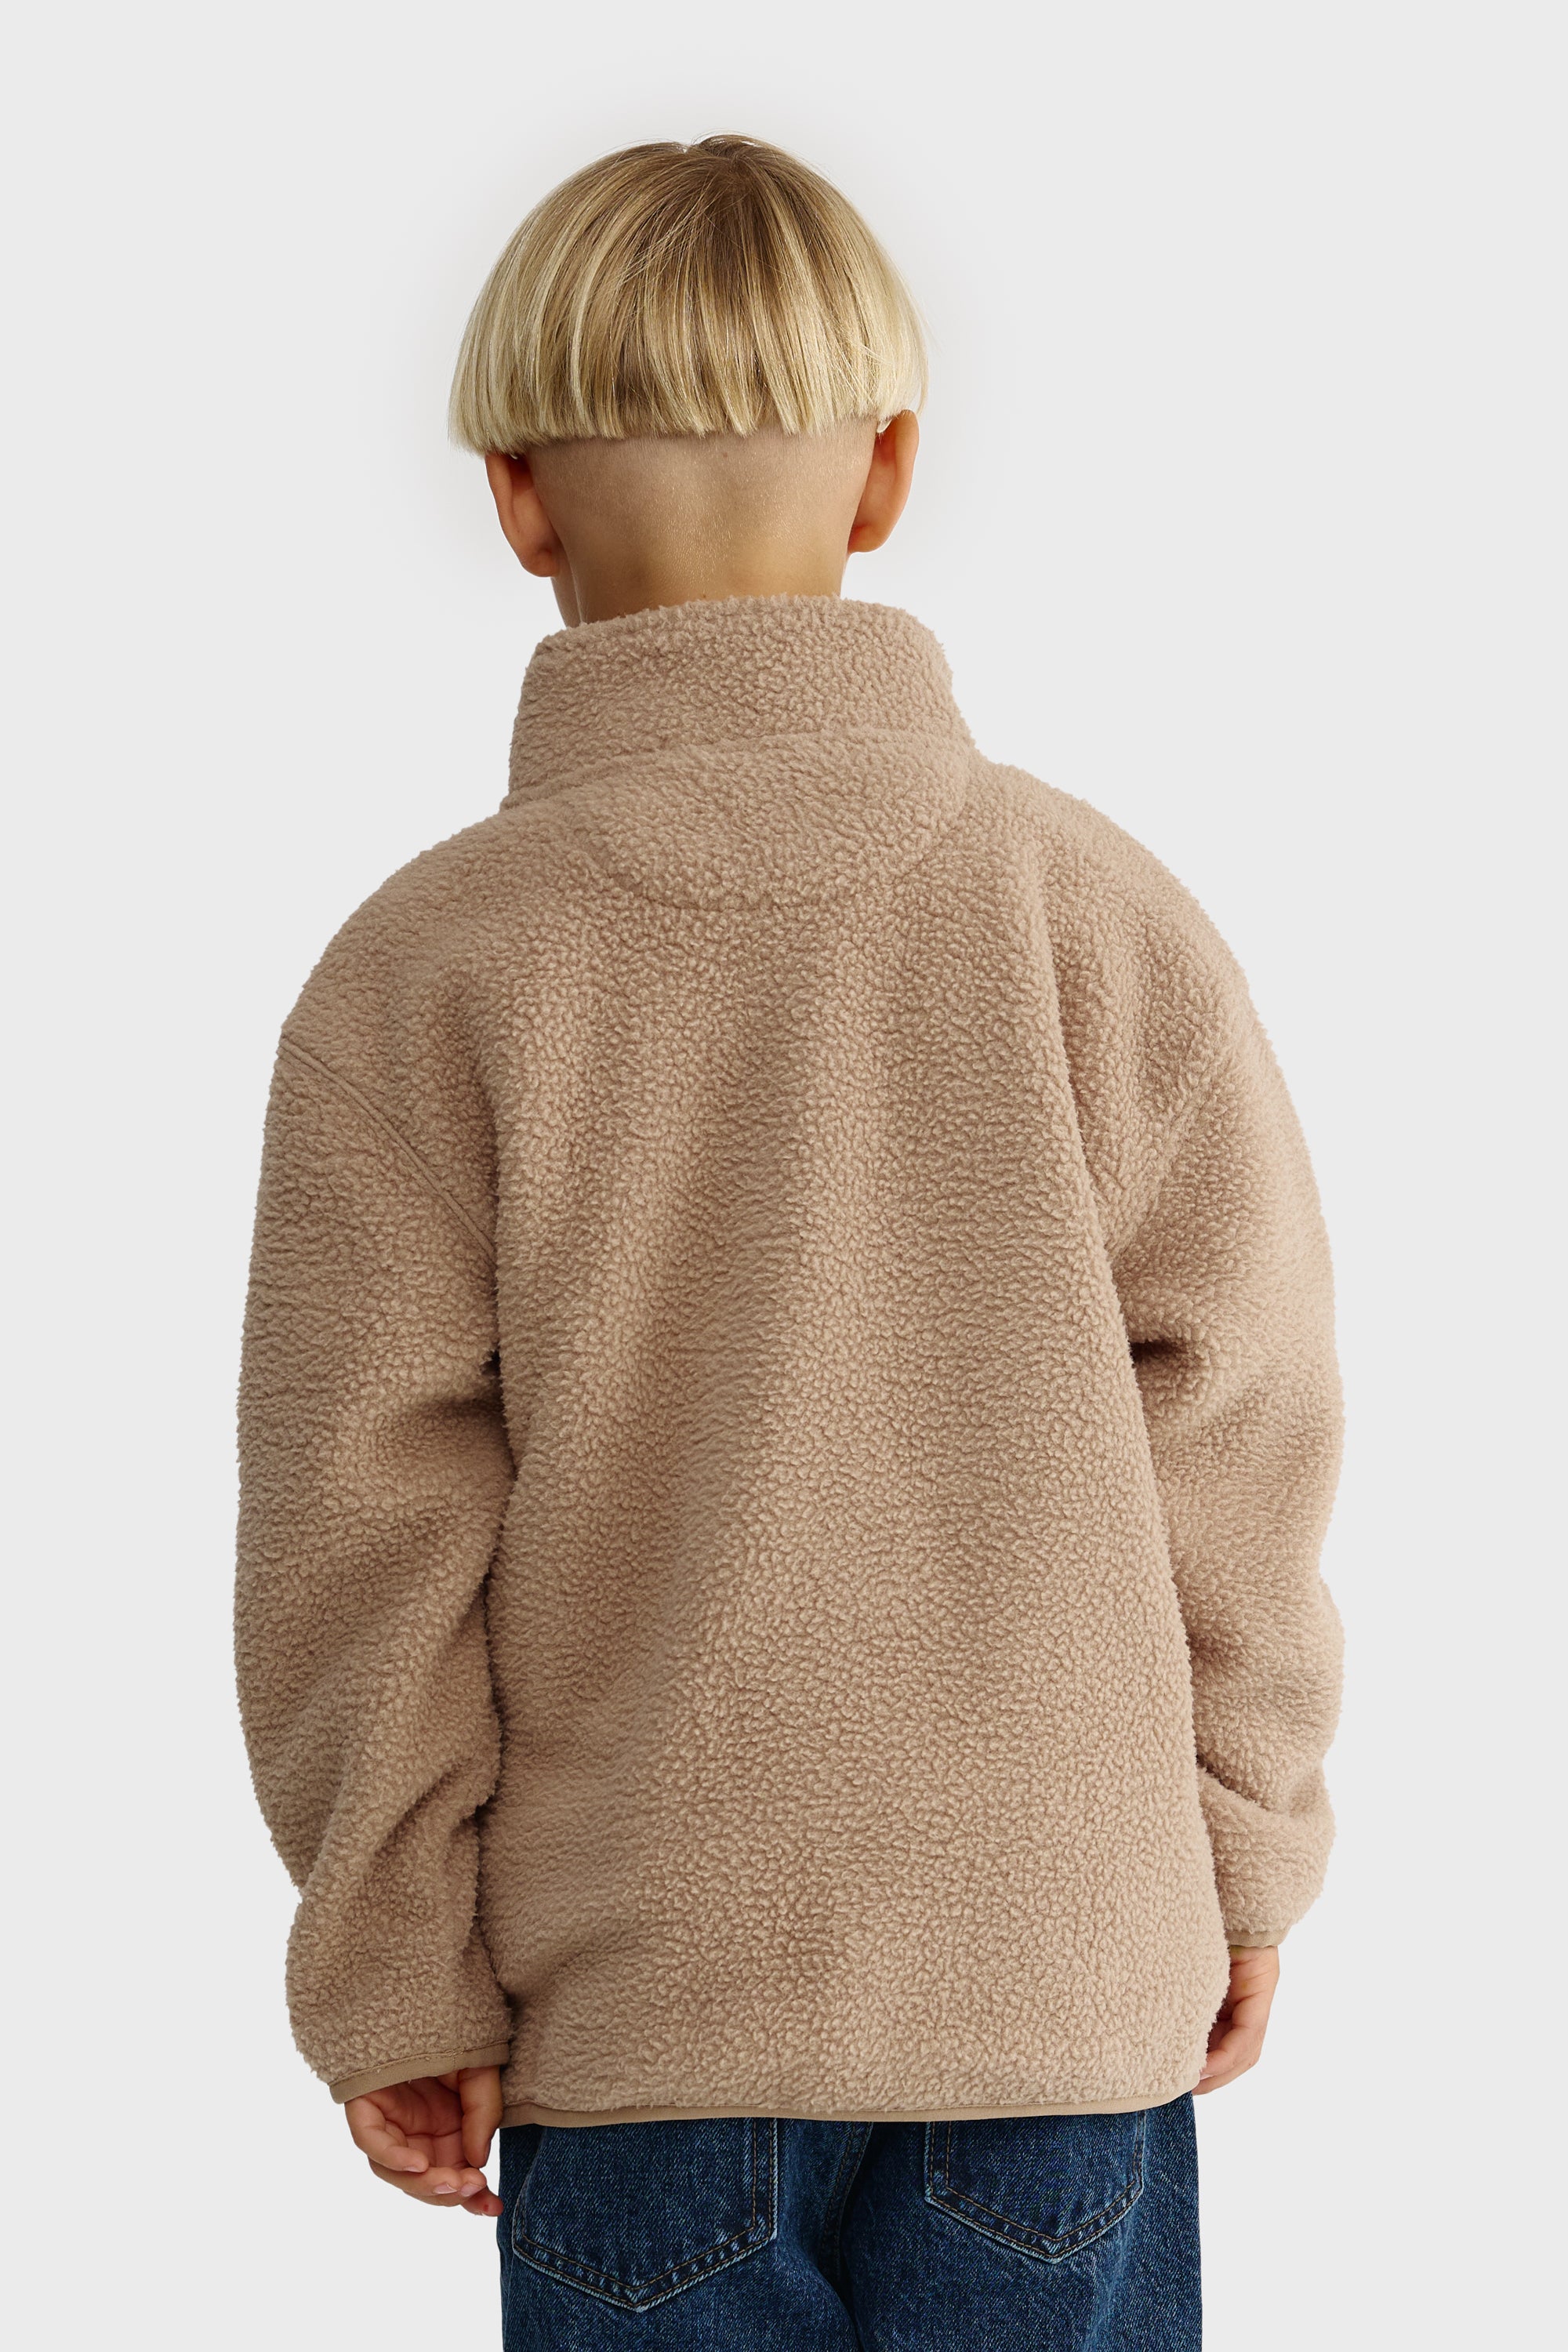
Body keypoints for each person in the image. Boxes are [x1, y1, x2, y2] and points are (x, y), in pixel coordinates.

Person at [235, 133, 1343, 2350]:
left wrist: (396, 1961)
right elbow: (1244, 1423)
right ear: (889, 475)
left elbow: (357, 1529)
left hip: (639, 2025)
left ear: (516, 499)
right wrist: (1245, 1840)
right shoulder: (1094, 915)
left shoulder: (424, 970)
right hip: (1054, 1999)